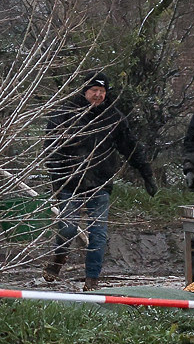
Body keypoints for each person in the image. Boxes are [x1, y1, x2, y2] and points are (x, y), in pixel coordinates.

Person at [44, 72, 156, 289]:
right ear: (85, 91)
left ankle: (92, 279)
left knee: (98, 234)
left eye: (102, 92)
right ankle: (58, 259)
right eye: (94, 91)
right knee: (68, 228)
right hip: (70, 181)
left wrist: (146, 174)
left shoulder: (113, 117)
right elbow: (50, 149)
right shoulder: (65, 113)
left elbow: (130, 147)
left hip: (100, 182)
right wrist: (57, 177)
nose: (97, 95)